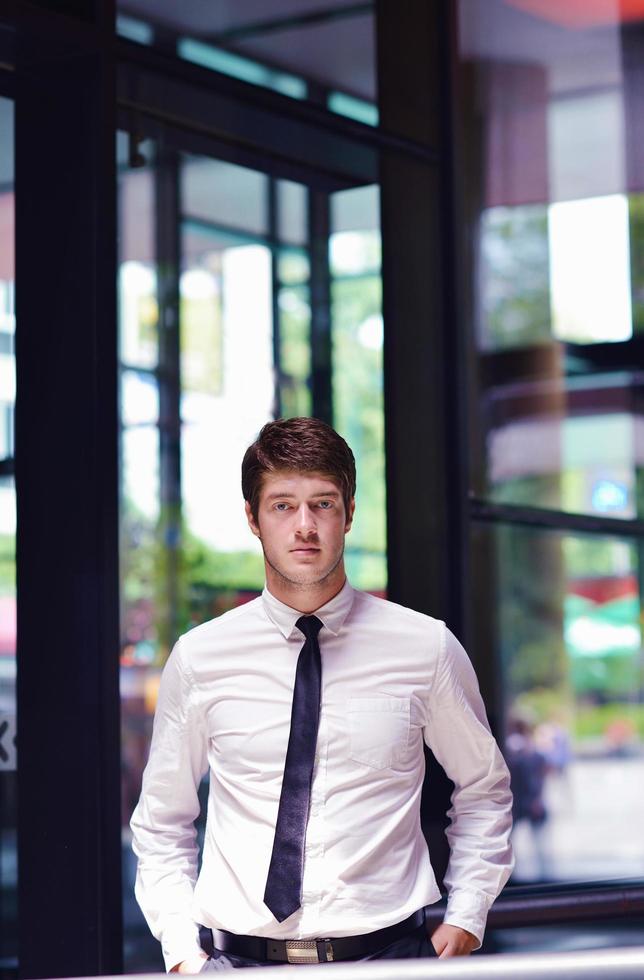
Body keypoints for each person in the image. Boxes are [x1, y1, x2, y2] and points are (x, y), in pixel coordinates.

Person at [131, 417, 513, 971]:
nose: (304, 526)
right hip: (238, 964)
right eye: (283, 505)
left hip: (388, 959)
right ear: (253, 519)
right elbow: (162, 818)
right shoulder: (200, 657)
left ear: (349, 513)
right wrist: (181, 953)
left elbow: (484, 786)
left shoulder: (424, 646)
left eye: (323, 504)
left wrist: (467, 915)